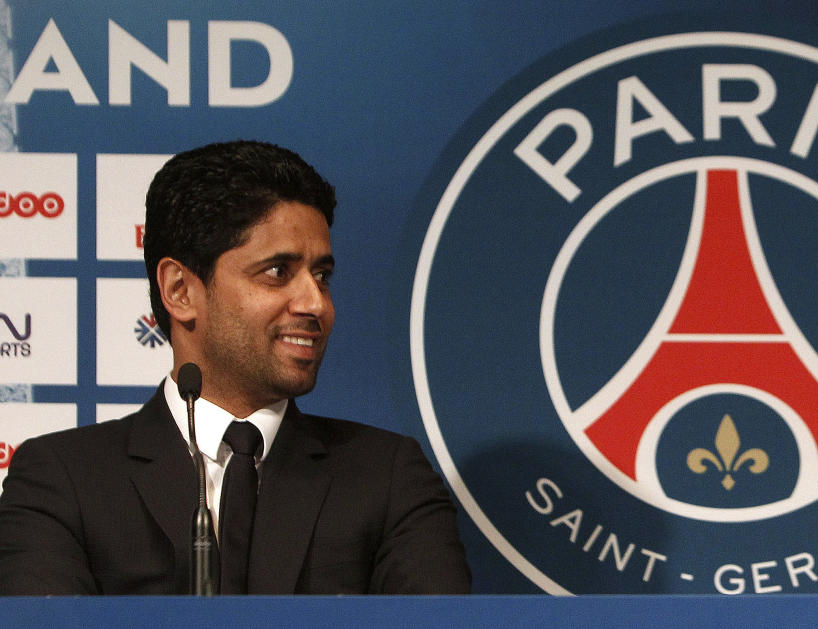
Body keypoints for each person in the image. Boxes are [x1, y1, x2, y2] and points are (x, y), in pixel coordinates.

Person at [0, 140, 471, 595]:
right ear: (180, 290)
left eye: (322, 276)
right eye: (277, 272)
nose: (315, 303)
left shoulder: (388, 478)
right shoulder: (62, 480)